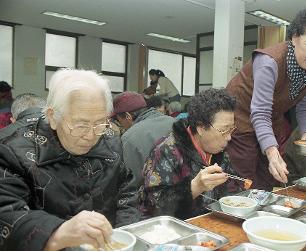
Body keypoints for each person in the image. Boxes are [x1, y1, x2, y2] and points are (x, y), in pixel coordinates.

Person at [0, 69, 140, 251]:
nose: (91, 136)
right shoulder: (11, 148)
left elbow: (126, 192)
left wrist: (124, 236)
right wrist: (56, 232)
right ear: (52, 117)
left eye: (99, 123)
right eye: (81, 125)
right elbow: (6, 211)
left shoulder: (110, 141)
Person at [225, 5, 306, 190]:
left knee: (269, 178)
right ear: (295, 37)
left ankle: (264, 217)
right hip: (239, 118)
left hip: (270, 120)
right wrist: (271, 151)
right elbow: (260, 111)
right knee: (243, 178)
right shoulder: (269, 62)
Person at [141, 89, 242, 219]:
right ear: (200, 128)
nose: (229, 137)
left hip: (211, 221)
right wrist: (195, 187)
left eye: (231, 129)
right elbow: (154, 207)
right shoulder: (166, 151)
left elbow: (233, 186)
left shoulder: (218, 150)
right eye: (223, 130)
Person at [111, 91, 175, 190]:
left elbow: (132, 183)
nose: (121, 126)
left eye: (119, 121)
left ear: (128, 116)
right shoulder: (175, 122)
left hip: (154, 198)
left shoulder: (129, 138)